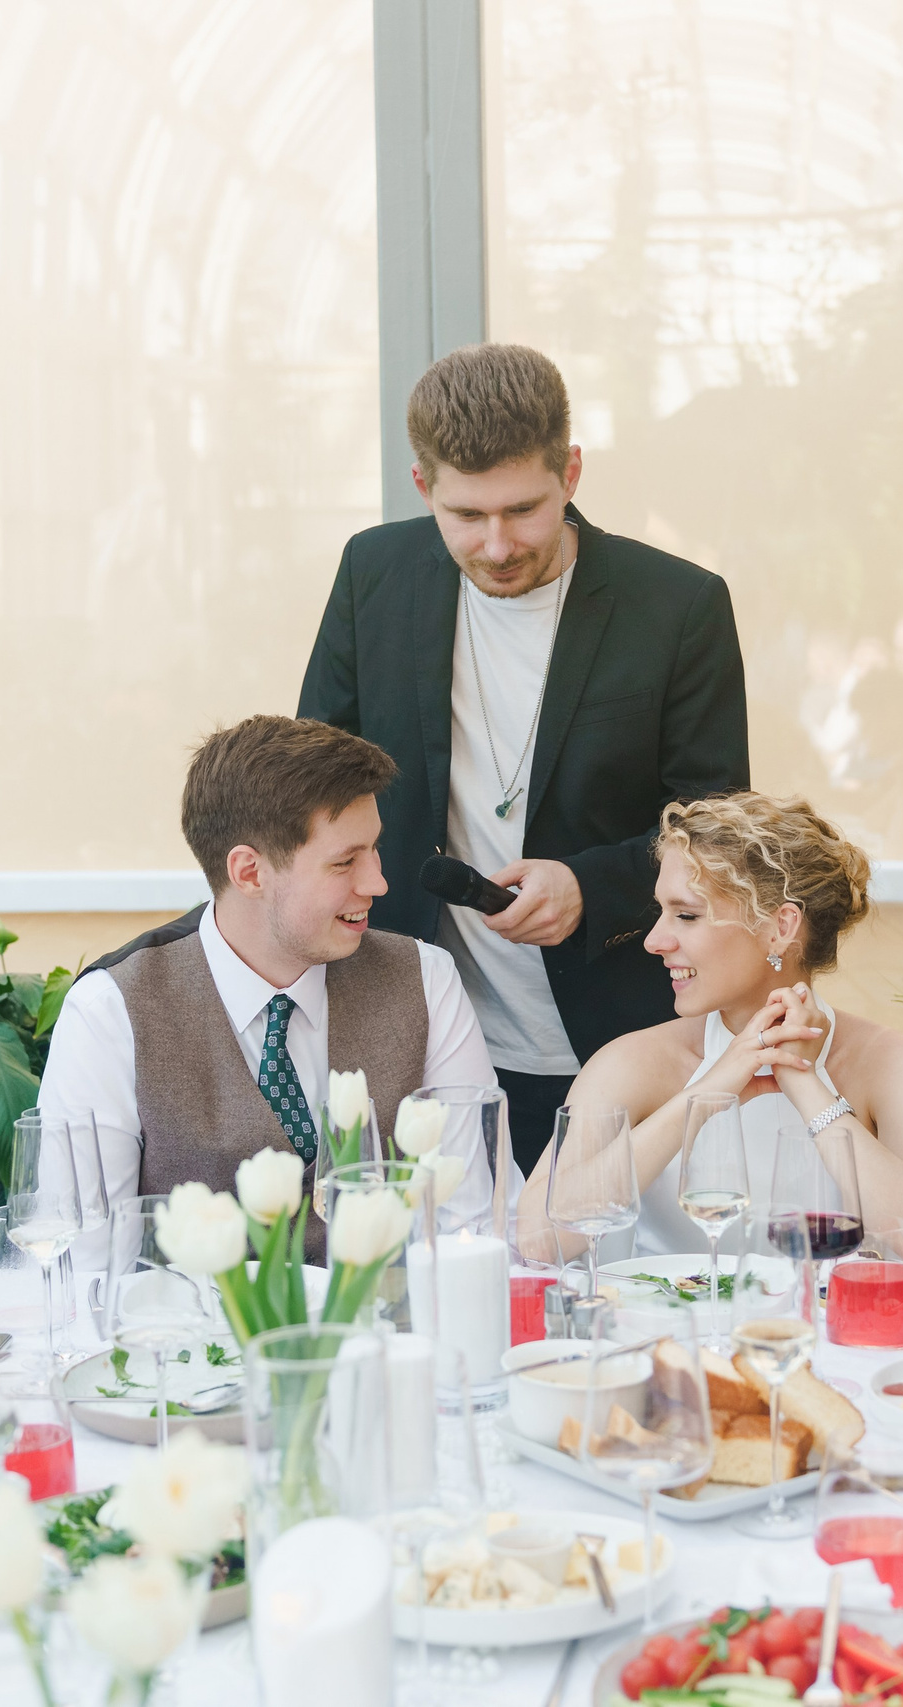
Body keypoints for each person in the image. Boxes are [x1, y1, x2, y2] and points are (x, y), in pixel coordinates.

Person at [299, 343, 749, 1174]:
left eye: (523, 510)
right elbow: (312, 781)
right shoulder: (373, 572)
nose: (498, 545)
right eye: (467, 516)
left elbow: (719, 829)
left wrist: (592, 885)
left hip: (620, 1033)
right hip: (419, 1036)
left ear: (571, 472)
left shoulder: (680, 606)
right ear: (423, 485)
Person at [38, 716, 495, 1260]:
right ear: (249, 872)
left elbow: (474, 1226)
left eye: (373, 850)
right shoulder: (109, 1012)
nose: (377, 883)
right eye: (345, 862)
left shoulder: (426, 979)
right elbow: (84, 1261)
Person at [518, 792, 903, 1272]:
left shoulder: (887, 1061)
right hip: (673, 1338)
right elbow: (540, 1239)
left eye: (686, 915)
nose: (654, 941)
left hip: (828, 1339)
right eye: (661, 912)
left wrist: (805, 1083)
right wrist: (708, 1092)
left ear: (780, 928)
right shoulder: (634, 1062)